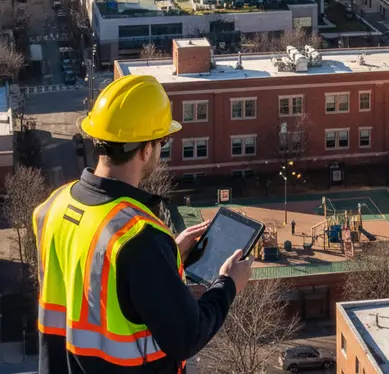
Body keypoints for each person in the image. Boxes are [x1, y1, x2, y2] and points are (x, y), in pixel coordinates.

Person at [33, 73, 253, 373]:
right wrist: (228, 284)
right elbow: (188, 335)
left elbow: (96, 274)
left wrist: (169, 254)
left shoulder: (54, 206)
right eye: (162, 140)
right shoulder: (139, 237)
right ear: (146, 148)